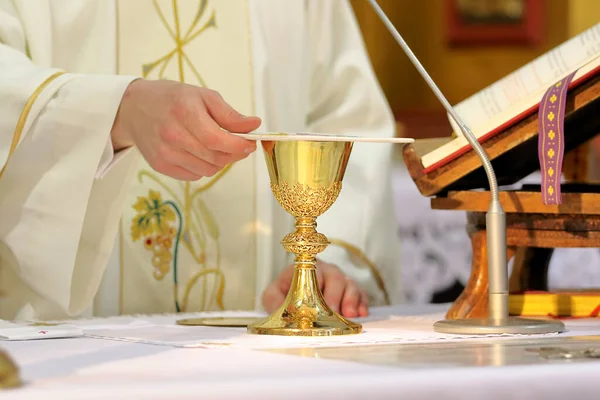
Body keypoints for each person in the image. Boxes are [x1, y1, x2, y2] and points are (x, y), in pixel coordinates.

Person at [0, 0, 402, 321]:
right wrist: (115, 113)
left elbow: (345, 117)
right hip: (82, 357)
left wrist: (326, 262)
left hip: (266, 356)